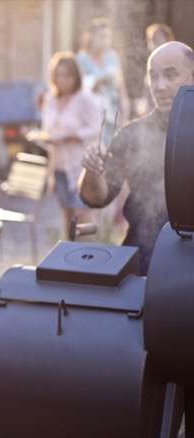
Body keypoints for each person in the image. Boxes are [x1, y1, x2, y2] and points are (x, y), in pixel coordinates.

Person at [79, 41, 194, 275]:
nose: (160, 86)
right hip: (142, 260)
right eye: (154, 76)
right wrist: (93, 170)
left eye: (171, 75)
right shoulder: (132, 134)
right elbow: (96, 197)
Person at [40, 52, 102, 238]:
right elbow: (48, 129)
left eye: (66, 75)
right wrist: (46, 137)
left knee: (83, 213)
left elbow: (96, 128)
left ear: (75, 76)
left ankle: (90, 256)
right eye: (58, 75)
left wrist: (75, 135)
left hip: (80, 166)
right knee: (67, 213)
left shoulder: (85, 99)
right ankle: (69, 255)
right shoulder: (51, 99)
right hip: (59, 165)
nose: (62, 80)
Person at [76, 18, 130, 144]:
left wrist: (125, 117)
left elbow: (121, 89)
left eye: (108, 37)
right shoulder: (81, 59)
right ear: (91, 37)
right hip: (91, 117)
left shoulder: (112, 57)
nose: (106, 40)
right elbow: (80, 91)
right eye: (102, 36)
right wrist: (98, 80)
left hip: (113, 115)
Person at [137, 23, 175, 117]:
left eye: (157, 39)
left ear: (167, 40)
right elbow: (146, 93)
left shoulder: (174, 63)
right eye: (151, 40)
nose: (153, 43)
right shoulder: (151, 65)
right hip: (152, 114)